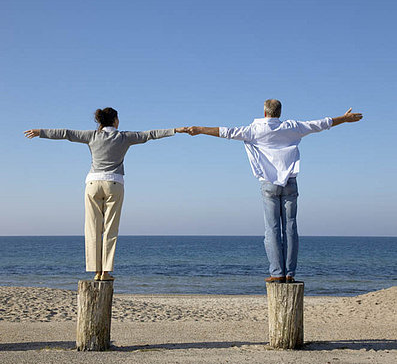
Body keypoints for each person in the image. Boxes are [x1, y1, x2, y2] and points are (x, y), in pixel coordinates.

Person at [186, 100, 363, 283]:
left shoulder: (254, 130)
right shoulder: (292, 127)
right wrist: (344, 118)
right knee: (291, 228)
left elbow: (225, 132)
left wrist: (199, 129)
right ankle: (289, 273)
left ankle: (277, 273)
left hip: (269, 185)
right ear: (279, 113)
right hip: (290, 182)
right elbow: (321, 124)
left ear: (264, 113)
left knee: (272, 229)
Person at [24, 108, 187, 281]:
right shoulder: (124, 137)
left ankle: (95, 271)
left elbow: (65, 133)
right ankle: (106, 272)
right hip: (114, 184)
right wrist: (175, 130)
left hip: (93, 184)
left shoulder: (92, 136)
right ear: (115, 120)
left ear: (100, 121)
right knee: (110, 228)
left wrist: (40, 132)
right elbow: (150, 135)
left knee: (92, 228)